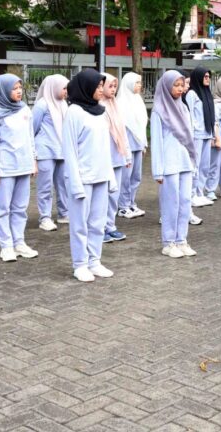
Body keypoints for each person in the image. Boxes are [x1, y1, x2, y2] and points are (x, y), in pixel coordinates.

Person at [63, 69, 117, 282]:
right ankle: (80, 264)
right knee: (79, 224)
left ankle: (94, 261)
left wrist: (110, 176)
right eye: (97, 86)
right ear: (86, 87)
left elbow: (105, 148)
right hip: (83, 178)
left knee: (98, 222)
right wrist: (75, 182)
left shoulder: (101, 111)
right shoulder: (74, 112)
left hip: (101, 176)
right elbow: (69, 150)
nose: (101, 90)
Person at [0, 74, 38, 262]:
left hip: (24, 166)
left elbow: (30, 137)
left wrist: (34, 161)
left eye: (20, 88)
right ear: (3, 91)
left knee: (20, 208)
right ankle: (6, 246)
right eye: (14, 88)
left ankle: (19, 242)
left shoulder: (24, 110)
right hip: (5, 168)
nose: (19, 91)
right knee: (2, 209)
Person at [151, 70, 198, 258]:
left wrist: (194, 162)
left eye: (182, 85)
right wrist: (158, 171)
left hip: (185, 162)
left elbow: (190, 136)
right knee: (171, 203)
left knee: (185, 202)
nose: (180, 89)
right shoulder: (158, 111)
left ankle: (181, 240)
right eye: (176, 85)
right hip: (169, 165)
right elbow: (156, 142)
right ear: (166, 86)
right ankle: (168, 242)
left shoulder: (184, 108)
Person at [32, 74, 69, 232]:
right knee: (45, 186)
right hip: (45, 151)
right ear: (54, 87)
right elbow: (32, 128)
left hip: (62, 151)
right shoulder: (42, 104)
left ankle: (64, 213)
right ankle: (45, 217)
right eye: (64, 88)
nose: (67, 91)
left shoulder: (63, 104)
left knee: (63, 184)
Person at [100, 73, 129, 243]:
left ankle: (110, 226)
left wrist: (127, 155)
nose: (113, 90)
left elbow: (122, 132)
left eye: (114, 86)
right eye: (109, 86)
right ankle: (100, 227)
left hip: (117, 156)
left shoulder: (115, 105)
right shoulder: (98, 106)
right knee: (103, 195)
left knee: (114, 195)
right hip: (104, 159)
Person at [116, 72, 148, 220]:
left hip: (138, 144)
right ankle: (122, 206)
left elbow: (141, 124)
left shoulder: (138, 100)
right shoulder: (121, 103)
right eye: (137, 83)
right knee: (125, 177)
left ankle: (130, 202)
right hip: (127, 146)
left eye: (140, 82)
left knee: (136, 176)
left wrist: (144, 143)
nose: (139, 85)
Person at [186, 67, 219, 207]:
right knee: (196, 165)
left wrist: (213, 135)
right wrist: (191, 135)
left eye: (208, 76)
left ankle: (200, 192)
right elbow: (190, 116)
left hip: (207, 133)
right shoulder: (192, 94)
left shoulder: (207, 93)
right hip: (196, 135)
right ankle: (192, 194)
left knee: (205, 165)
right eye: (205, 76)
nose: (207, 78)